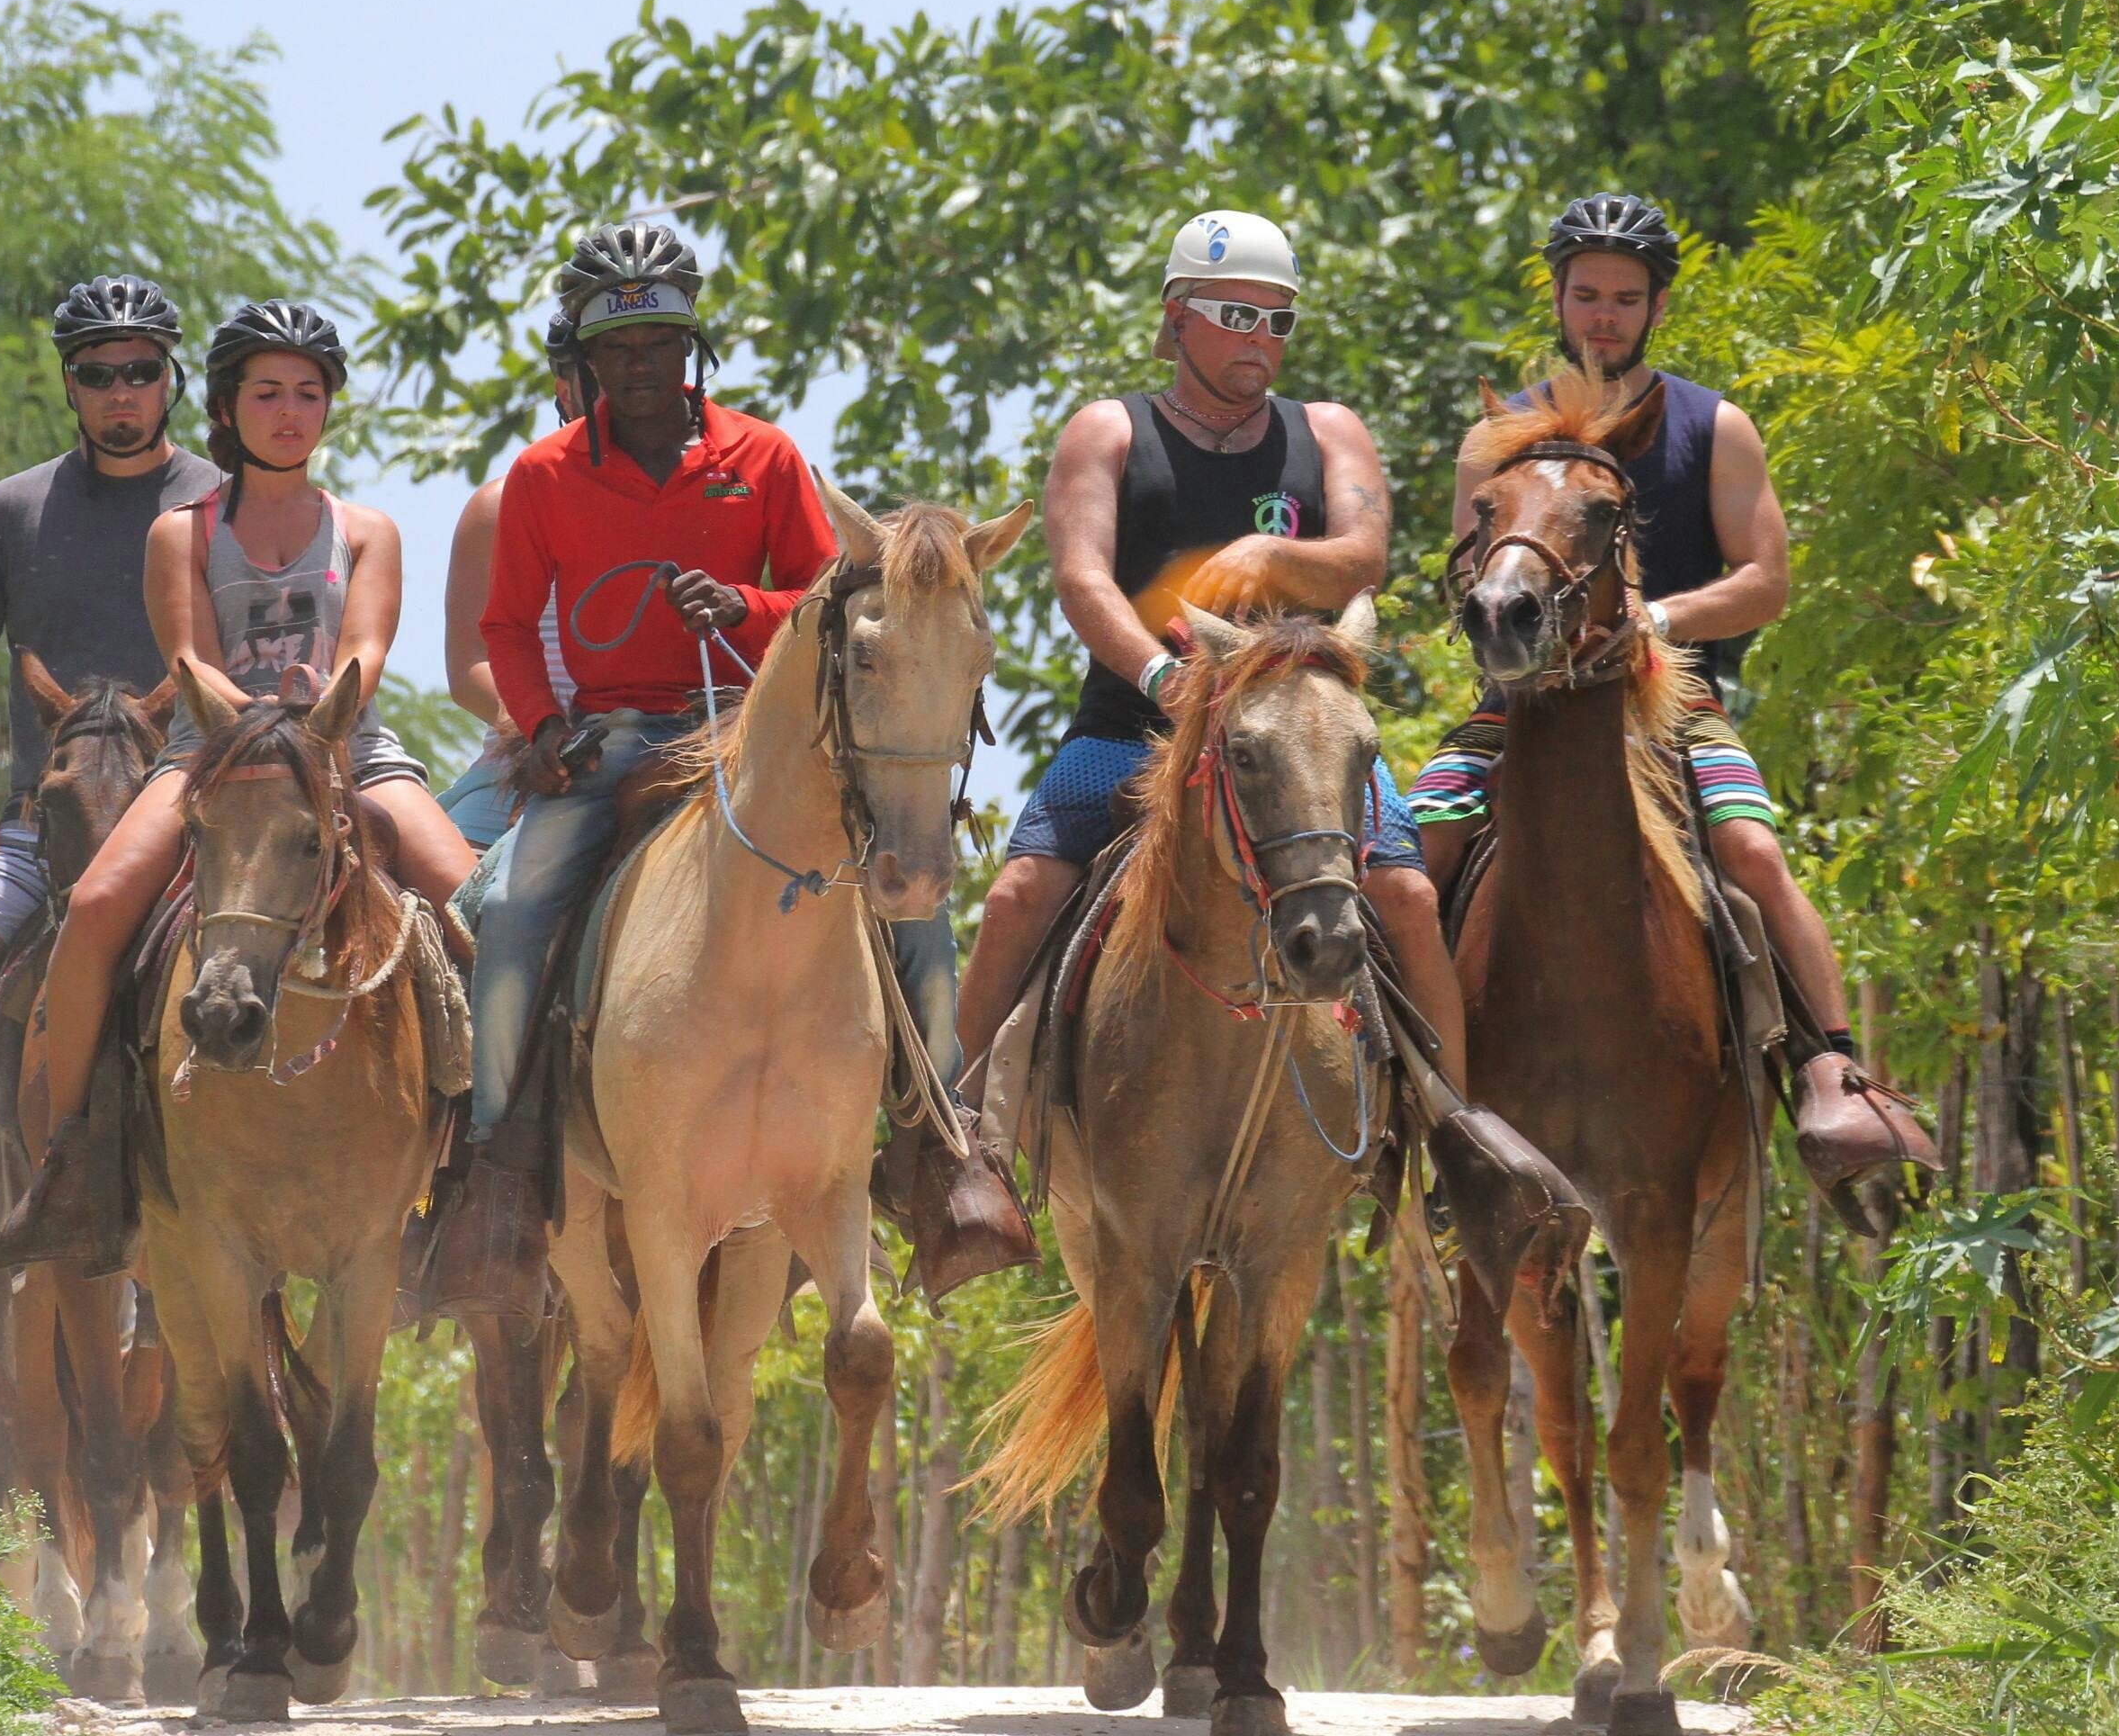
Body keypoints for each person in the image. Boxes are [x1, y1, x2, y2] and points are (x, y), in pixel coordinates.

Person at [444, 218, 1026, 1317]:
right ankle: (497, 1174)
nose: (641, 370)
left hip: (744, 730)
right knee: (511, 907)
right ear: (587, 359)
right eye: (618, 352)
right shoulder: (541, 475)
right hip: (612, 737)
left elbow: (833, 601)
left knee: (911, 905)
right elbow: (511, 626)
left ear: (692, 347)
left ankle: (944, 1151)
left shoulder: (763, 457)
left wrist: (747, 606)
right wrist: (541, 721)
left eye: (659, 346)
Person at [1409, 191, 1931, 1175]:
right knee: (1409, 849)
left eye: (1624, 297)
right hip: (1519, 701)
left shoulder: (1713, 425)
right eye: (1586, 295)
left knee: (1751, 852)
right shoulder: (1499, 435)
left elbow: (1765, 582)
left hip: (1671, 695)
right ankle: (1378, 1070)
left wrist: (1657, 619)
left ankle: (1836, 1075)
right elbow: (1473, 575)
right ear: (1556, 299)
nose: (1602, 315)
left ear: (1656, 308)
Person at [950, 211, 1473, 1116]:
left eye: (1280, 321)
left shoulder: (1329, 430)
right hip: (1136, 728)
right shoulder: (1108, 432)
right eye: (1238, 315)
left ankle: (1458, 1135)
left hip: (1304, 734)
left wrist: (1273, 560)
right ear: (1178, 316)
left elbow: (1366, 557)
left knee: (1409, 896)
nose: (1260, 340)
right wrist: (1163, 679)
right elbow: (1082, 581)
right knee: (1018, 895)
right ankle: (950, 1144)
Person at [5, 300, 477, 1254]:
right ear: (227, 405)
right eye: (268, 392)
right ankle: (78, 1156)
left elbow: (366, 650)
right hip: (208, 755)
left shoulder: (368, 529)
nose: (291, 411)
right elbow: (190, 658)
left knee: (482, 908)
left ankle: (483, 1165)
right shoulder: (180, 531)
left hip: (348, 753)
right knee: (96, 907)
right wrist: (261, 724)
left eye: (310, 393)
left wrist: (315, 723)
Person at [0, 274, 217, 1427]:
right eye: (99, 372)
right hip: (43, 824)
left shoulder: (221, 504)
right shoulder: (15, 511)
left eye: (142, 368)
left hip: (193, 818)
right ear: (68, 384)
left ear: (173, 376)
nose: (123, 392)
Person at [435, 316, 584, 850]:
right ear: (564, 390)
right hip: (523, 754)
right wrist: (537, 727)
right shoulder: (500, 506)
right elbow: (469, 663)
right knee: (440, 902)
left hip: (669, 747)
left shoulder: (711, 492)